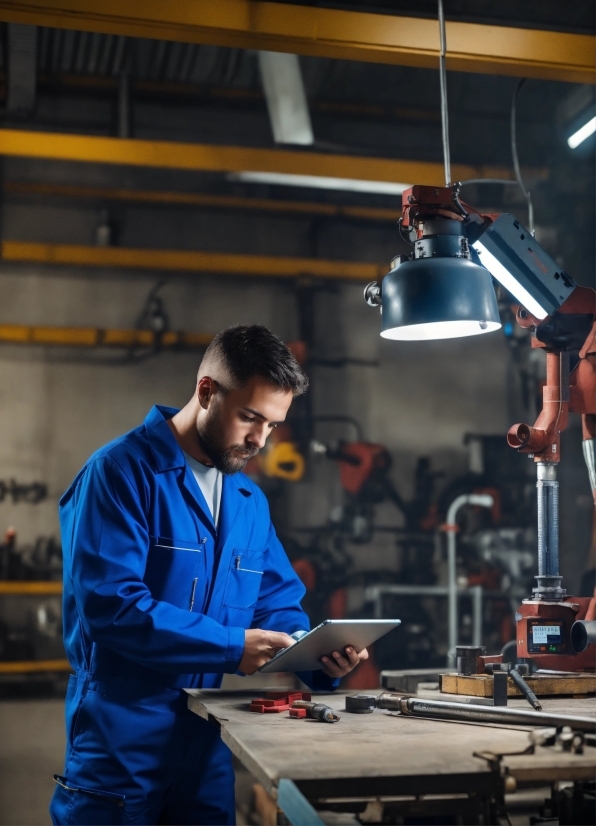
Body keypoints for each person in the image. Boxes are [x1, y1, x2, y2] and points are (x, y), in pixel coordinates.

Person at [50, 324, 367, 826]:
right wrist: (230, 648)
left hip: (206, 741)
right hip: (120, 740)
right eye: (250, 417)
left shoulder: (247, 501)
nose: (260, 440)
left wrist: (315, 653)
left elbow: (275, 601)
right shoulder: (119, 474)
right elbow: (112, 607)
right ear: (206, 392)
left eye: (273, 425)